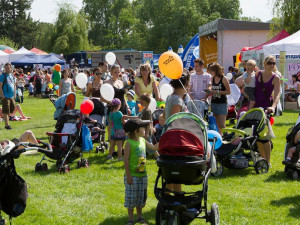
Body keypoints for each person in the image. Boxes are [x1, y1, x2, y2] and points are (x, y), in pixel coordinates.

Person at [123, 118, 159, 225]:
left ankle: (139, 217)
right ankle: (130, 219)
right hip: (132, 176)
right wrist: (128, 175)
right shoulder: (129, 143)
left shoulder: (143, 140)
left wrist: (166, 138)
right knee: (131, 198)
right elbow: (126, 160)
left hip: (143, 175)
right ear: (136, 131)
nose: (145, 129)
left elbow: (153, 147)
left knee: (141, 197)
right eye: (143, 128)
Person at [163, 73, 190, 192]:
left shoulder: (171, 97)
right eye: (188, 83)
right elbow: (175, 121)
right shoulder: (177, 100)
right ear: (184, 84)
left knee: (171, 168)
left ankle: (169, 194)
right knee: (176, 168)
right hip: (175, 138)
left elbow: (163, 117)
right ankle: (176, 194)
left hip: (169, 136)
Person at [254, 55, 281, 165]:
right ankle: (263, 158)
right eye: (270, 62)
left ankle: (268, 162)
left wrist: (273, 106)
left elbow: (278, 94)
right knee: (257, 136)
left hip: (266, 109)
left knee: (265, 136)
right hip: (255, 108)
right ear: (264, 64)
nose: (272, 65)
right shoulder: (257, 74)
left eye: (274, 63)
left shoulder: (276, 78)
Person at [209, 63, 231, 136]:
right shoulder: (212, 78)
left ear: (216, 70)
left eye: (211, 71)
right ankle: (220, 138)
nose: (210, 72)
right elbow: (211, 88)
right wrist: (210, 91)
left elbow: (228, 92)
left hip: (222, 103)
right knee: (216, 124)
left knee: (222, 125)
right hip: (214, 103)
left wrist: (217, 92)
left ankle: (227, 136)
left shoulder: (223, 79)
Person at [0, 63, 16, 130]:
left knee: (11, 109)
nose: (7, 69)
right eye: (6, 68)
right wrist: (2, 95)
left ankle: (7, 123)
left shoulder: (12, 76)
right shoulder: (2, 76)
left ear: (11, 68)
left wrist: (15, 94)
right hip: (6, 96)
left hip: (12, 96)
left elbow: (14, 85)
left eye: (8, 68)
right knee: (6, 111)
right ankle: (7, 125)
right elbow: (0, 86)